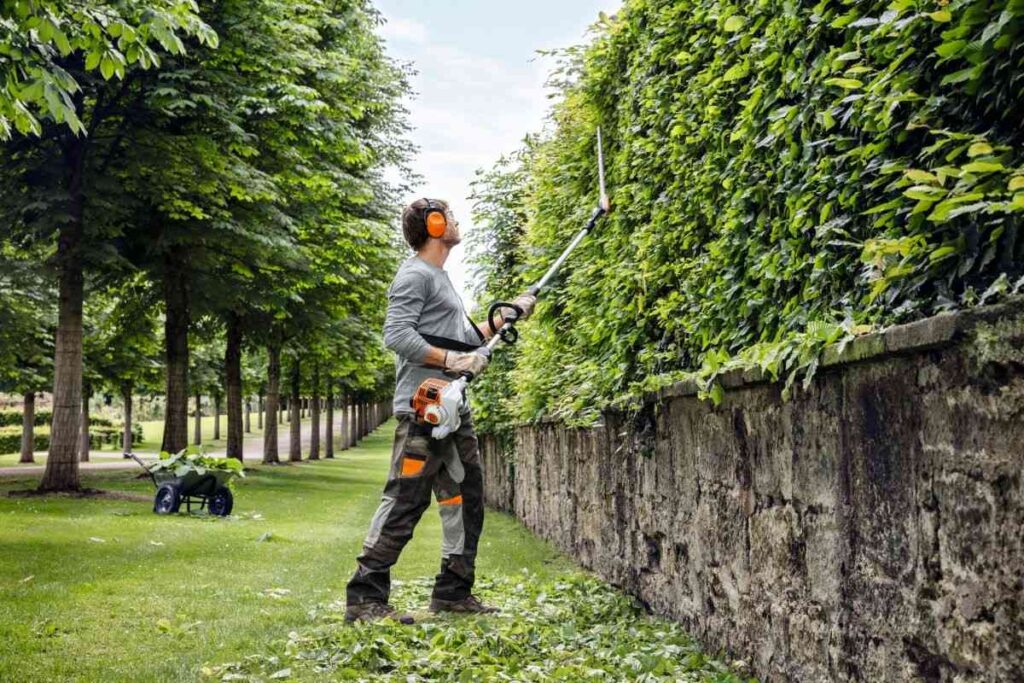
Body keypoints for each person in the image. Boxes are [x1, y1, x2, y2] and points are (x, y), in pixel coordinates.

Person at [344, 198, 536, 623]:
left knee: (465, 498)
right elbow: (396, 334)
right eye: (449, 216)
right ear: (433, 224)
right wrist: (452, 363)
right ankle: (364, 598)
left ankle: (452, 591)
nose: (455, 221)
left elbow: (466, 342)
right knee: (404, 501)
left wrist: (502, 319)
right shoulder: (414, 274)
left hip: (452, 411)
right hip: (424, 410)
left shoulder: (440, 279)